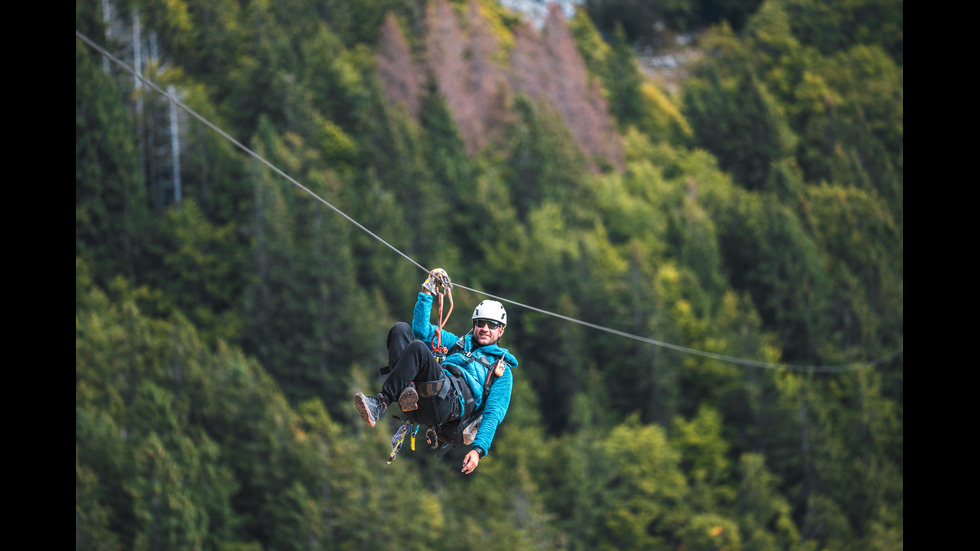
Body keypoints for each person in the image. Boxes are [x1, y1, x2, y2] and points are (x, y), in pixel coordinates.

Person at [353, 273, 518, 474]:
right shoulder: (457, 343)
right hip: (422, 397)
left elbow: (493, 414)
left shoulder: (501, 369)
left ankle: (381, 402)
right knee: (400, 330)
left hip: (448, 403)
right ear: (473, 325)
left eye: (491, 325)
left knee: (418, 349)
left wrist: (478, 450)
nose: (484, 329)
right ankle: (406, 392)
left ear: (501, 331)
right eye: (480, 323)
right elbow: (421, 329)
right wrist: (427, 291)